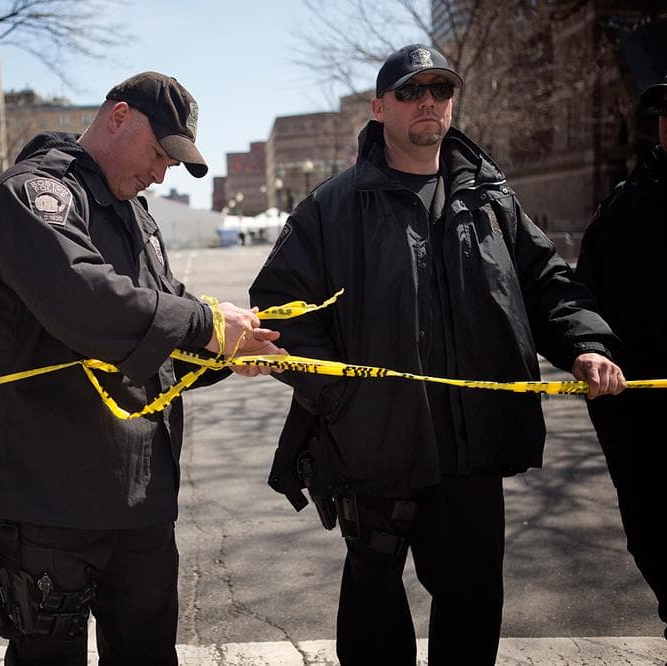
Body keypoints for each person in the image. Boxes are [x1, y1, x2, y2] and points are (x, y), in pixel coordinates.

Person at [249, 45, 627, 665]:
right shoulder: (331, 207)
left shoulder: (490, 200)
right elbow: (278, 312)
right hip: (375, 447)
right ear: (379, 108)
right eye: (409, 91)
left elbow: (547, 283)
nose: (428, 101)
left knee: (473, 601)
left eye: (440, 90)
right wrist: (344, 399)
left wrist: (585, 344)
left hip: (470, 450)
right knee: (373, 607)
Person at [0, 71, 281, 665]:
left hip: (138, 501)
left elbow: (161, 333)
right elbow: (84, 300)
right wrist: (205, 325)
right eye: (159, 153)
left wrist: (228, 352)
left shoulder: (137, 216)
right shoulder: (30, 197)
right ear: (119, 117)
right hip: (46, 501)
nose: (161, 174)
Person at [576, 74, 667, 643]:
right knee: (659, 547)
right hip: (651, 439)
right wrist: (622, 426)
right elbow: (586, 312)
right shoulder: (626, 210)